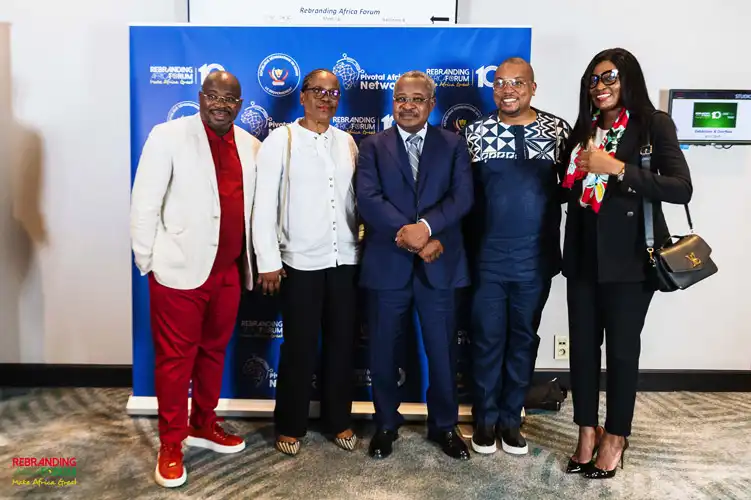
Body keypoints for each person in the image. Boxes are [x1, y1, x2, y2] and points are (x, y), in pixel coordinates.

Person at [560, 48, 692, 478]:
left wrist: (616, 167)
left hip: (631, 260)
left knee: (620, 351)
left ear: (628, 78)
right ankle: (586, 432)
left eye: (609, 77)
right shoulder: (584, 127)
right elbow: (567, 188)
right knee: (582, 350)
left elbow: (680, 187)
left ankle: (616, 436)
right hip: (582, 256)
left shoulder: (653, 124)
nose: (600, 86)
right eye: (593, 80)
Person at [130, 71, 260, 487]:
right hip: (178, 271)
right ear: (201, 97)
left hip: (228, 271)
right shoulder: (167, 136)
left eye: (230, 99)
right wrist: (149, 261)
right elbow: (144, 203)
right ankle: (171, 442)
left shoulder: (251, 145)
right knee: (174, 362)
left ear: (240, 104)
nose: (221, 104)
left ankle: (203, 423)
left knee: (213, 353)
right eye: (213, 96)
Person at [356, 70, 474, 461]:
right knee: (383, 352)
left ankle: (445, 426)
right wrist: (410, 235)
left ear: (431, 104)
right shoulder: (372, 145)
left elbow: (462, 198)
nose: (408, 106)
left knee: (442, 352)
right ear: (393, 102)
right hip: (388, 263)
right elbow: (368, 199)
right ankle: (385, 425)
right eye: (401, 98)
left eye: (417, 99)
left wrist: (426, 230)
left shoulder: (453, 144)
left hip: (439, 261)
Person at [463, 57, 571, 456]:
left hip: (535, 260)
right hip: (487, 259)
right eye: (500, 83)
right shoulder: (474, 132)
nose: (508, 90)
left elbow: (573, 188)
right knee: (487, 339)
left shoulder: (558, 130)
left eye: (517, 83)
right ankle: (485, 419)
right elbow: (463, 196)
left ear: (532, 88)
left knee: (524, 339)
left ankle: (511, 419)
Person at [252, 69, 360, 456]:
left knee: (342, 345)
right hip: (299, 262)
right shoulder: (281, 141)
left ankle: (338, 420)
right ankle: (290, 425)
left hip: (345, 259)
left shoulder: (347, 141)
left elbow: (355, 200)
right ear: (302, 96)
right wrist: (267, 259)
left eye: (333, 93)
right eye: (318, 91)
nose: (325, 98)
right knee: (299, 347)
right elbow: (263, 206)